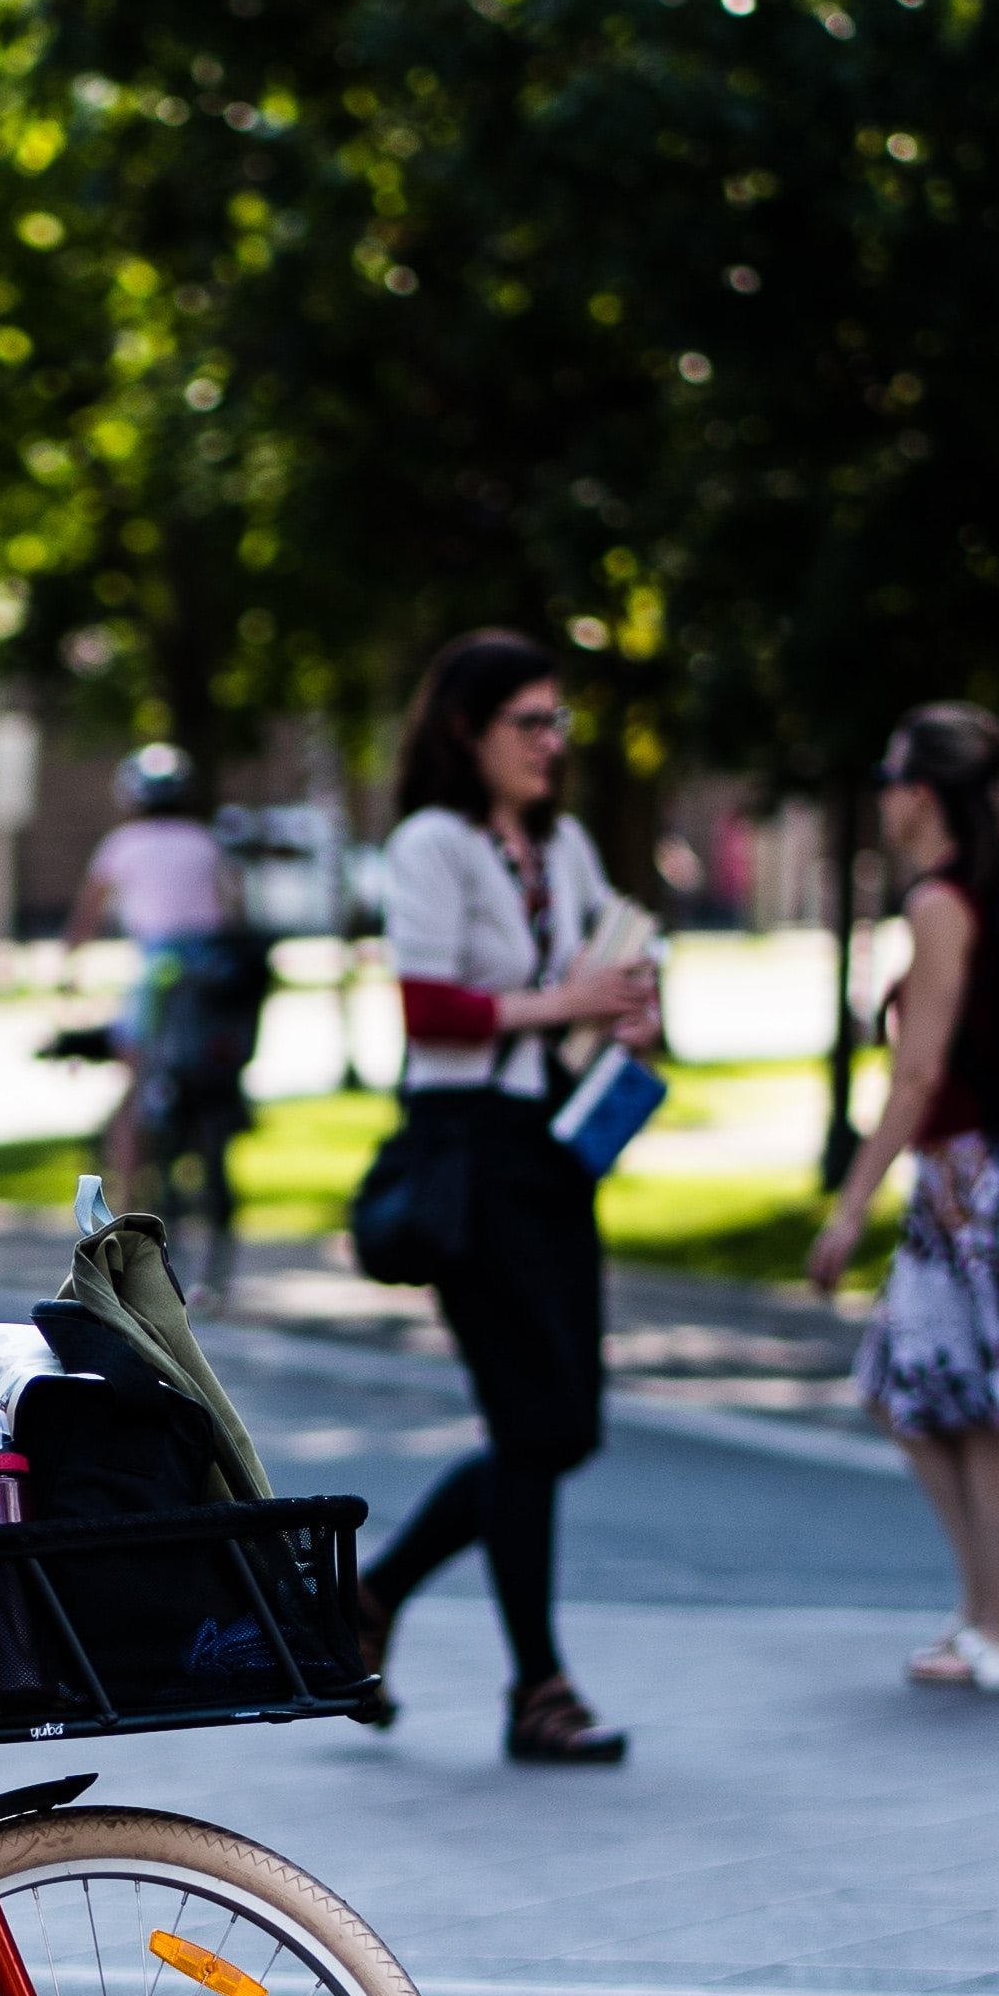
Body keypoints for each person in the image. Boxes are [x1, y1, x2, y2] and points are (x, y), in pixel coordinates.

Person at [359, 631, 662, 1766]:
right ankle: (539, 1688)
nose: (551, 744)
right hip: (467, 1153)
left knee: (558, 1425)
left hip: (553, 1153)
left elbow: (585, 980)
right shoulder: (431, 845)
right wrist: (563, 997)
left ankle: (376, 1593)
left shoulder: (563, 844)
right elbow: (430, 1007)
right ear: (464, 733)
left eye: (558, 722)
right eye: (528, 723)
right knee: (534, 1427)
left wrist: (626, 1006)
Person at [806, 703, 999, 1694]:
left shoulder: (942, 904)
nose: (881, 795)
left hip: (974, 1190)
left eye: (888, 776)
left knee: (989, 1410)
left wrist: (848, 1206)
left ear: (920, 793)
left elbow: (917, 1078)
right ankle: (986, 1613)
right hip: (995, 1189)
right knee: (914, 1390)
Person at [69, 743, 244, 1221]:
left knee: (135, 1079)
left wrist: (70, 970)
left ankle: (124, 1205)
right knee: (212, 1064)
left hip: (155, 969)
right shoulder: (205, 840)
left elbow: (87, 914)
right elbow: (234, 907)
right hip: (208, 974)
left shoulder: (123, 844)